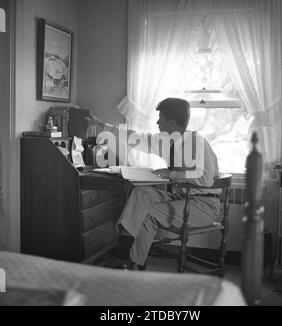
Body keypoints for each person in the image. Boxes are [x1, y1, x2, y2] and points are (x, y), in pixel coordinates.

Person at [87, 98, 220, 269]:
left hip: (204, 205)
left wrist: (172, 174)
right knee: (141, 193)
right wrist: (101, 126)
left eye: (160, 118)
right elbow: (134, 137)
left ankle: (124, 257)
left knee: (146, 212)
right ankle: (128, 259)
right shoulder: (164, 141)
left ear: (171, 123)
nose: (157, 122)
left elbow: (206, 178)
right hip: (182, 198)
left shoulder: (197, 142)